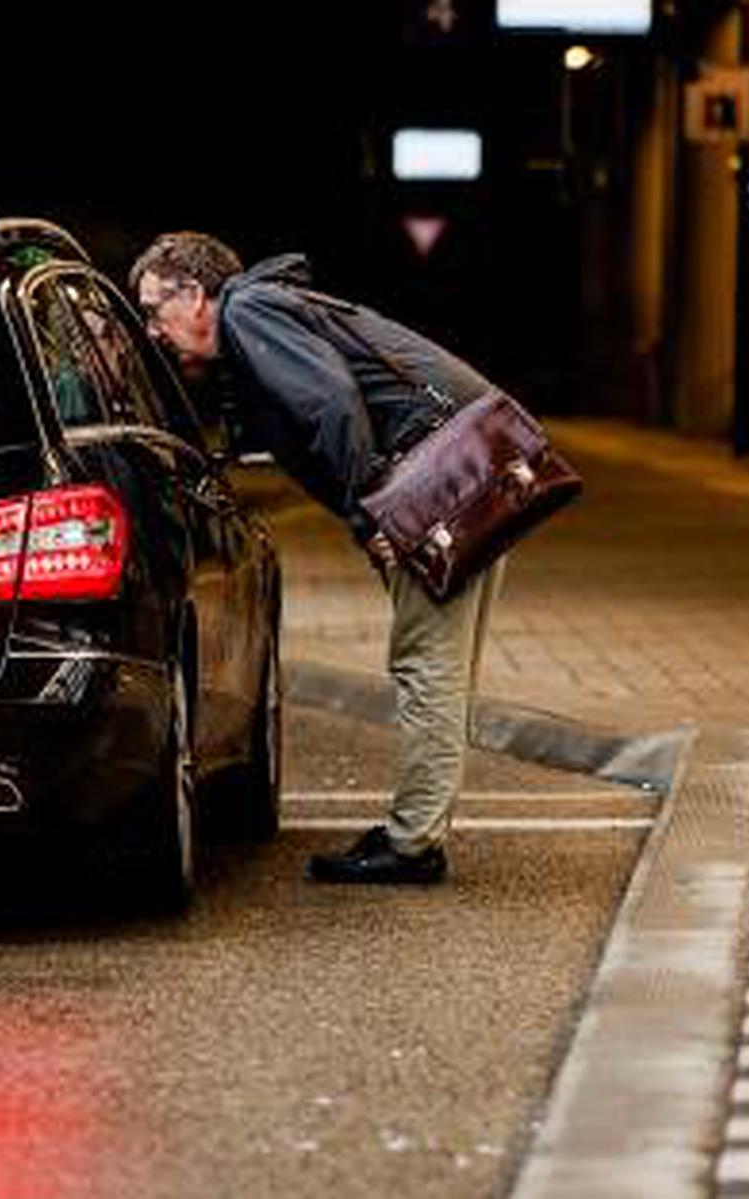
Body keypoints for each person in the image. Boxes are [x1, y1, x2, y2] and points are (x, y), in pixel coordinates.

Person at [130, 232, 505, 886]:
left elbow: (329, 405)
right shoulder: (269, 305)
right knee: (442, 658)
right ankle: (418, 826)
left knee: (426, 660)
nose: (153, 331)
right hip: (465, 466)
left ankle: (414, 844)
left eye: (153, 311)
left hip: (439, 483)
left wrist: (372, 513)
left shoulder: (250, 312)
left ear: (195, 295)